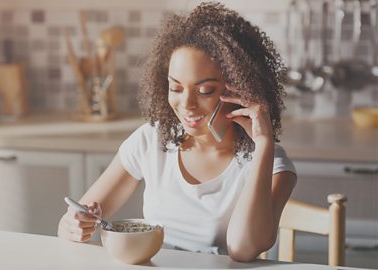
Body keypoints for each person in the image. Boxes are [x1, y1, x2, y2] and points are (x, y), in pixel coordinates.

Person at [58, 2, 297, 262]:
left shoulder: (272, 164)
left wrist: (263, 144)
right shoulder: (151, 141)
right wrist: (76, 224)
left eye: (205, 91)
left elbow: (243, 248)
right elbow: (67, 225)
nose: (186, 104)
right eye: (176, 87)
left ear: (241, 90)